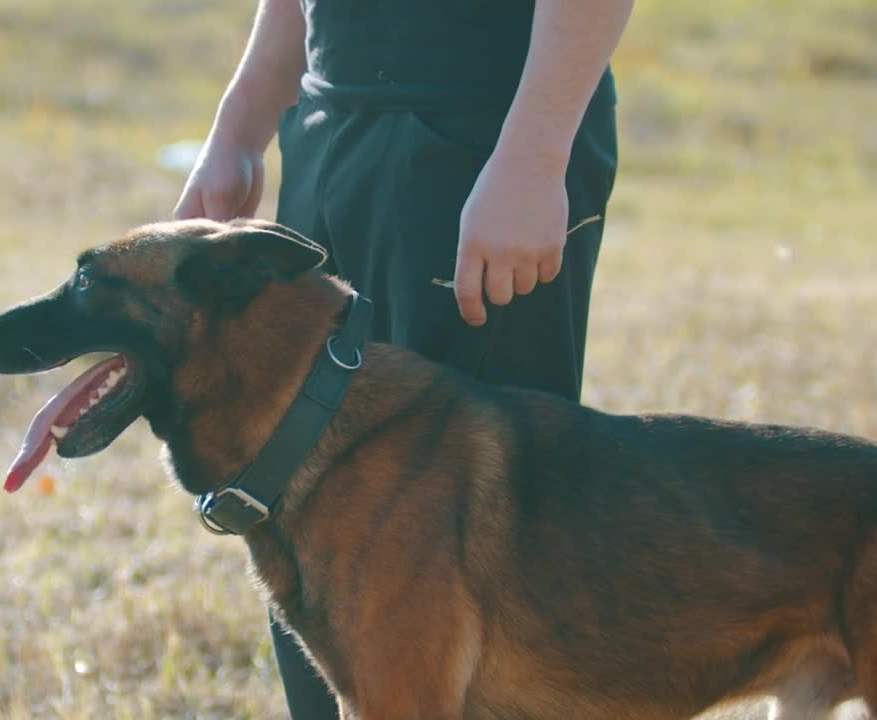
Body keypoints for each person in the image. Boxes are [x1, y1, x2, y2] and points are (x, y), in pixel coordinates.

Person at [174, 1, 634, 716]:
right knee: (300, 483)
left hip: (482, 132)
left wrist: (535, 156)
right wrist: (243, 119)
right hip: (327, 122)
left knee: (482, 520)